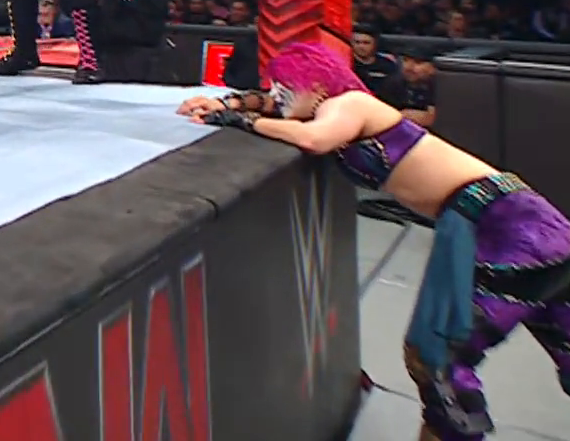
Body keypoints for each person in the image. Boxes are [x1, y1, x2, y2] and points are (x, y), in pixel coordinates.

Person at [181, 43, 570, 441]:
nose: (276, 96)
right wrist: (225, 104)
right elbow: (273, 105)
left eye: (284, 87)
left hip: (509, 225)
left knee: (436, 353)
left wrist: (241, 120)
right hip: (507, 220)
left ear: (317, 86)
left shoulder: (350, 104)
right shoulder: (330, 107)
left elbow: (314, 139)